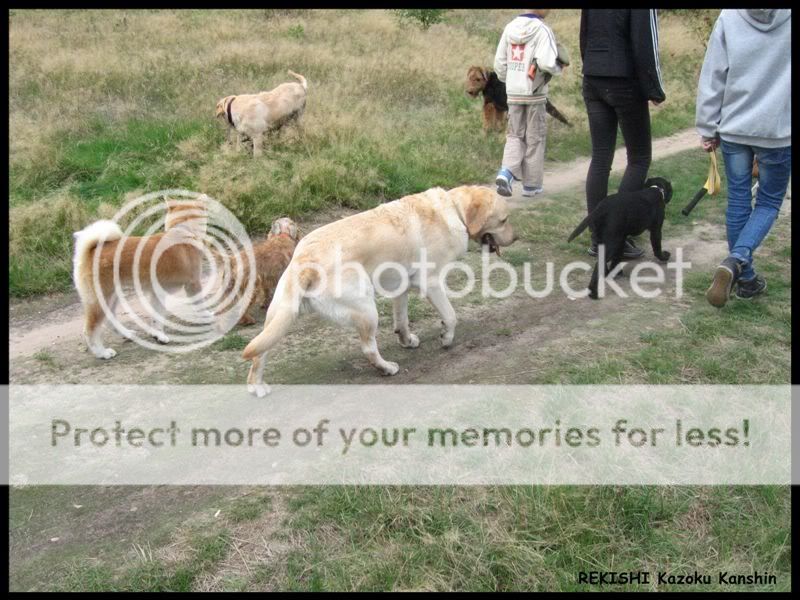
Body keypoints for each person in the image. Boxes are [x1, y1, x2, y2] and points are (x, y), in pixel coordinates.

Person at [697, 9, 791, 308]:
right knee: (768, 202)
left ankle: (746, 279)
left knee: (738, 201)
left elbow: (714, 74)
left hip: (734, 128)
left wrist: (707, 125)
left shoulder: (729, 16)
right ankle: (738, 261)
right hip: (777, 131)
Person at [579, 9, 666, 259]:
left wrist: (592, 66)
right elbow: (645, 40)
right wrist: (654, 88)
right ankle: (615, 234)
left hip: (593, 75)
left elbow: (584, 32)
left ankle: (598, 238)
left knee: (600, 157)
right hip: (624, 78)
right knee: (639, 158)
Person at [494, 9, 562, 199]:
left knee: (514, 135)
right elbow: (547, 63)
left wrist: (510, 80)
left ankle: (506, 172)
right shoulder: (542, 30)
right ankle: (531, 185)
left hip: (513, 93)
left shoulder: (509, 28)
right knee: (535, 137)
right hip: (535, 92)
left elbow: (499, 64)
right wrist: (558, 68)